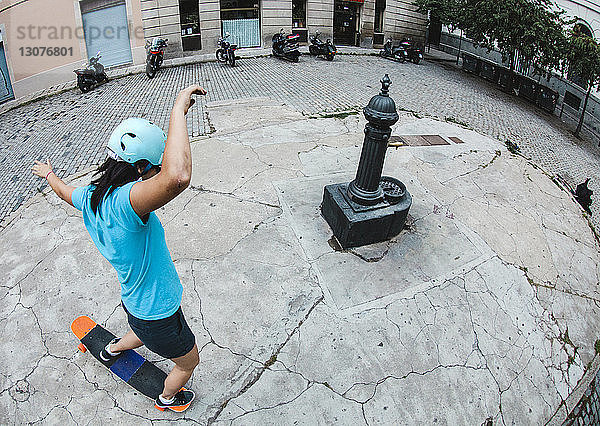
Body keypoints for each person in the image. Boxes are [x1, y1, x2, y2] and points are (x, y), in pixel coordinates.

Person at [32, 84, 207, 413]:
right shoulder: (127, 204)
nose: (156, 177)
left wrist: (50, 174)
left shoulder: (91, 197)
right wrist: (178, 108)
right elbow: (178, 177)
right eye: (153, 169)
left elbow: (64, 191)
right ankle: (167, 399)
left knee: (139, 331)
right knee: (187, 362)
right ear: (141, 168)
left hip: (134, 304)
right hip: (160, 314)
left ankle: (111, 349)